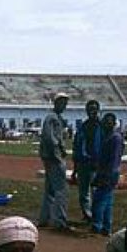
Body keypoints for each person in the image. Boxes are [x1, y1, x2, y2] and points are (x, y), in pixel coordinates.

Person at [38, 93, 71, 231]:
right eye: (62, 103)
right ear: (56, 103)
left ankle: (45, 218)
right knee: (61, 190)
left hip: (50, 156)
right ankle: (60, 220)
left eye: (65, 104)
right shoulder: (52, 118)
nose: (64, 106)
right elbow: (49, 137)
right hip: (54, 157)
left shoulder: (57, 118)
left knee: (50, 190)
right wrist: (58, 153)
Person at [90, 112, 123, 236]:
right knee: (107, 200)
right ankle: (106, 227)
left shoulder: (115, 138)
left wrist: (108, 175)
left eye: (109, 122)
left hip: (109, 173)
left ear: (114, 124)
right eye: (105, 122)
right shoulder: (107, 137)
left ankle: (97, 225)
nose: (106, 124)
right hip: (105, 171)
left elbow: (114, 159)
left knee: (99, 200)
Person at [71, 99, 102, 223]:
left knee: (96, 192)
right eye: (89, 109)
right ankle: (87, 215)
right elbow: (77, 146)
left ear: (98, 110)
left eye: (94, 109)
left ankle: (96, 215)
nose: (92, 111)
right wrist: (75, 168)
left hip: (97, 164)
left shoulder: (102, 126)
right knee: (83, 193)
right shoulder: (83, 126)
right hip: (83, 163)